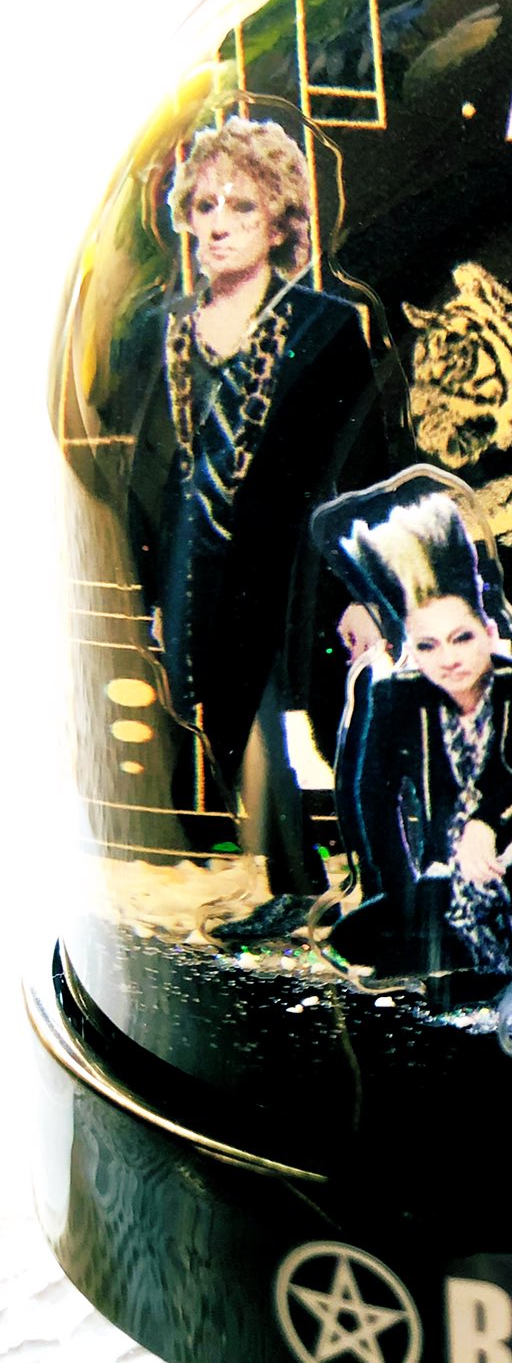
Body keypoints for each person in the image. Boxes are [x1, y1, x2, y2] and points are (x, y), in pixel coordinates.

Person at [113, 115, 387, 887]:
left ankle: (333, 887)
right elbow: (149, 475)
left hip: (297, 579)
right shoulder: (164, 331)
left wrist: (363, 592)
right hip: (196, 573)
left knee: (312, 736)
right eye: (205, 205)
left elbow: (364, 471)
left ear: (278, 222)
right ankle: (291, 887)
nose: (219, 224)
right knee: (229, 734)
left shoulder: (327, 327)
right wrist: (152, 593)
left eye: (241, 206)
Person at [325, 485, 512, 999]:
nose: (448, 660)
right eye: (427, 645)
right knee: (357, 941)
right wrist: (401, 893)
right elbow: (371, 798)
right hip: (444, 896)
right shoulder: (398, 699)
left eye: (462, 638)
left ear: (489, 631)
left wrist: (488, 823)